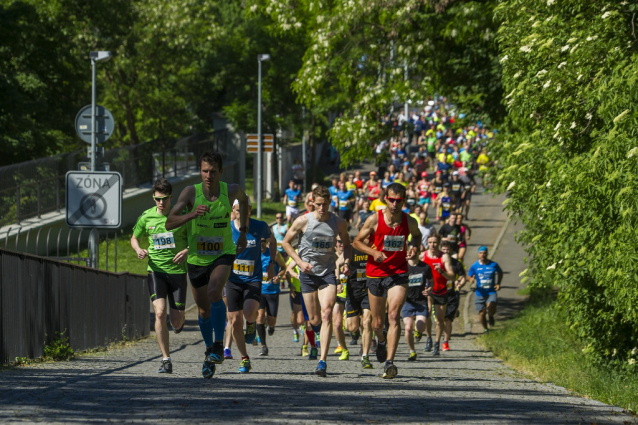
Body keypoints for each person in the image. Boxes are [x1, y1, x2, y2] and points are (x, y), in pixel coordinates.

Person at [165, 151, 249, 379]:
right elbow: (169, 222)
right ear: (200, 171)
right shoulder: (191, 192)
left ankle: (220, 345)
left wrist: (243, 232)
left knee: (214, 292)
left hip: (223, 253)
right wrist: (191, 214)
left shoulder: (229, 190)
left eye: (212, 171)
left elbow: (244, 199)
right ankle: (210, 351)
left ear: (220, 172)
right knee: (203, 310)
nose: (208, 175)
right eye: (204, 171)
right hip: (196, 259)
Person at [353, 183, 422, 379]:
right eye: (391, 199)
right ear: (385, 199)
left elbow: (417, 237)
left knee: (393, 316)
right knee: (377, 324)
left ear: (404, 201)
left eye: (398, 201)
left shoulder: (408, 221)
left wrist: (415, 248)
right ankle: (381, 341)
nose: (394, 204)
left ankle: (390, 363)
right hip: (376, 273)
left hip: (398, 273)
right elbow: (356, 242)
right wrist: (374, 252)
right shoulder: (375, 219)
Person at [282, 185, 352, 377]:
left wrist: (346, 262)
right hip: (307, 274)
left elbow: (347, 245)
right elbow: (285, 243)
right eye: (318, 204)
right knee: (313, 320)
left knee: (327, 313)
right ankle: (318, 335)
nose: (322, 208)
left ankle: (322, 362)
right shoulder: (303, 221)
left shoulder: (338, 223)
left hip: (328, 272)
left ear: (330, 202)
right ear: (313, 203)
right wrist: (299, 262)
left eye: (325, 204)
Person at [131, 179, 188, 374]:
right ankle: (166, 359)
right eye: (157, 199)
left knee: (176, 320)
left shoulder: (181, 217)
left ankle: (180, 320)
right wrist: (138, 249)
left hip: (178, 272)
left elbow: (196, 239)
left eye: (164, 199)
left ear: (171, 197)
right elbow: (134, 237)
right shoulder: (146, 217)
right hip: (156, 271)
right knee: (159, 312)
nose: (161, 203)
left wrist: (187, 251)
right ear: (153, 198)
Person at [225, 199, 275, 373]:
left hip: (253, 278)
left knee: (248, 313)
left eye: (245, 210)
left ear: (250, 211)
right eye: (238, 210)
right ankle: (244, 358)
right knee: (236, 321)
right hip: (232, 280)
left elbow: (273, 241)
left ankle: (252, 323)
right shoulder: (227, 227)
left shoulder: (259, 226)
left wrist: (271, 263)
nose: (242, 214)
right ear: (233, 210)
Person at [421, 233, 455, 356]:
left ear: (439, 243)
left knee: (440, 320)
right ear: (427, 243)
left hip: (441, 291)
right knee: (427, 314)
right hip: (428, 291)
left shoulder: (444, 257)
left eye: (435, 242)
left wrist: (442, 272)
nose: (432, 245)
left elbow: (452, 276)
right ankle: (429, 339)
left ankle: (436, 343)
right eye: (430, 242)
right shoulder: (423, 256)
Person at [344, 237, 375, 369]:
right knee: (351, 327)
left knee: (367, 322)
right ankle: (355, 333)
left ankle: (365, 356)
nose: (368, 239)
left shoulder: (374, 250)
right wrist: (343, 268)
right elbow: (339, 262)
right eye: (366, 236)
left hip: (368, 290)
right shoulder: (352, 249)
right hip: (353, 290)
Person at [257, 237, 287, 356]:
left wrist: (278, 276)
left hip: (272, 291)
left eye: (263, 241)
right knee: (259, 318)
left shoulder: (274, 253)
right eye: (260, 241)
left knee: (271, 320)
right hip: (259, 291)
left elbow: (284, 268)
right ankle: (264, 346)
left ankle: (271, 326)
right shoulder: (253, 254)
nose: (262, 243)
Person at [402, 247, 432, 361]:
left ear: (419, 252)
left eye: (413, 250)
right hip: (407, 302)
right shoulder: (403, 266)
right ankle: (412, 351)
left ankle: (418, 332)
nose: (410, 252)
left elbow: (431, 282)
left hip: (420, 301)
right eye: (408, 250)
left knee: (420, 326)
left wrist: (429, 290)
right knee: (408, 328)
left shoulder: (425, 267)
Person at [467, 246, 503, 333]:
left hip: (491, 292)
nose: (482, 255)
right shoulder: (474, 266)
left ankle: (491, 315)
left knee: (491, 307)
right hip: (480, 293)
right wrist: (470, 279)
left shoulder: (493, 265)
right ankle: (485, 329)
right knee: (482, 313)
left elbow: (500, 272)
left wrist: (498, 283)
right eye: (480, 253)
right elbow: (468, 275)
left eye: (484, 253)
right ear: (478, 254)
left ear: (486, 254)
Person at [440, 241, 467, 351]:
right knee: (439, 319)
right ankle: (435, 339)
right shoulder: (438, 262)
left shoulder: (457, 263)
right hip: (439, 293)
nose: (446, 252)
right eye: (444, 250)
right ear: (441, 250)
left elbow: (463, 276)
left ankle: (445, 342)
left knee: (447, 319)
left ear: (451, 251)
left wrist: (460, 284)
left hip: (452, 294)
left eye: (448, 250)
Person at [333, 237, 350, 360]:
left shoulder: (351, 254)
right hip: (338, 294)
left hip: (352, 294)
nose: (341, 243)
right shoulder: (332, 256)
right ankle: (343, 348)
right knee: (337, 323)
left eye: (343, 241)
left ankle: (363, 338)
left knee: (351, 326)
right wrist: (338, 283)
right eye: (339, 241)